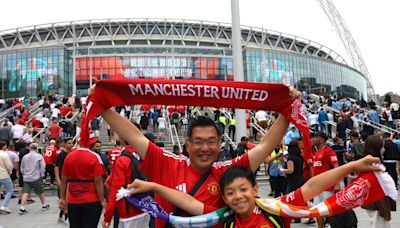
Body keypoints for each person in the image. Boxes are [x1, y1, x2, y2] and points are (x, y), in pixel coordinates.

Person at [95, 83, 300, 227]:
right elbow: (134, 136)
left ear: (220, 145)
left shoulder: (228, 172)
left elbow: (266, 145)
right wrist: (102, 105)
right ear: (188, 144)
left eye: (211, 142)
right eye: (199, 142)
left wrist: (287, 107)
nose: (205, 148)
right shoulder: (167, 162)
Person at [128, 155, 382, 228]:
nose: (237, 197)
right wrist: (151, 186)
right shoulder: (222, 219)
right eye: (230, 193)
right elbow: (188, 203)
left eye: (242, 189)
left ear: (253, 189)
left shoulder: (275, 210)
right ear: (224, 198)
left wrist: (353, 166)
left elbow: (312, 186)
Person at [102, 138, 150, 228]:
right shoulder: (145, 154)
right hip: (146, 206)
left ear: (122, 139)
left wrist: (107, 216)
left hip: (129, 210)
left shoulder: (122, 159)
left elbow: (115, 189)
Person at [58, 147, 107, 228]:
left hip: (73, 199)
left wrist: (62, 198)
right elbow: (98, 180)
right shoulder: (94, 156)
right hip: (91, 199)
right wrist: (102, 200)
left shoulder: (69, 156)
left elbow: (63, 179)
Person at [361, 135, 396, 228]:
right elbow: (377, 189)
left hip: (372, 203)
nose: (384, 149)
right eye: (382, 146)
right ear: (376, 148)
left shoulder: (366, 162)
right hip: (377, 205)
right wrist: (384, 210)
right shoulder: (374, 165)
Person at [311, 132, 339, 228]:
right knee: (317, 210)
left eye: (315, 137)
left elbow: (336, 168)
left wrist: (337, 184)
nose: (313, 139)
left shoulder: (329, 151)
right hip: (317, 188)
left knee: (329, 211)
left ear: (322, 139)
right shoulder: (316, 153)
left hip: (327, 187)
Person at [19, 143, 49, 214]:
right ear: (36, 148)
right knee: (40, 192)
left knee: (26, 192)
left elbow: (22, 167)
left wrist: (24, 174)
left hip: (26, 177)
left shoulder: (25, 157)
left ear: (29, 148)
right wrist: (42, 175)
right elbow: (42, 167)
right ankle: (44, 205)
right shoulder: (39, 156)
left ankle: (22, 207)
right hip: (36, 177)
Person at [54, 137, 74, 223]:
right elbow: (56, 167)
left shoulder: (72, 153)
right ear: (65, 144)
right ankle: (66, 217)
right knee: (65, 199)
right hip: (63, 180)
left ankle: (61, 216)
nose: (71, 145)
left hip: (70, 180)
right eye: (69, 143)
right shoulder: (62, 154)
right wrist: (58, 179)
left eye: (72, 143)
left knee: (67, 199)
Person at [0, 140, 13, 213]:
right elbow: (9, 165)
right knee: (9, 190)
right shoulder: (4, 154)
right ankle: (4, 206)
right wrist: (10, 172)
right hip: (3, 174)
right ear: (3, 146)